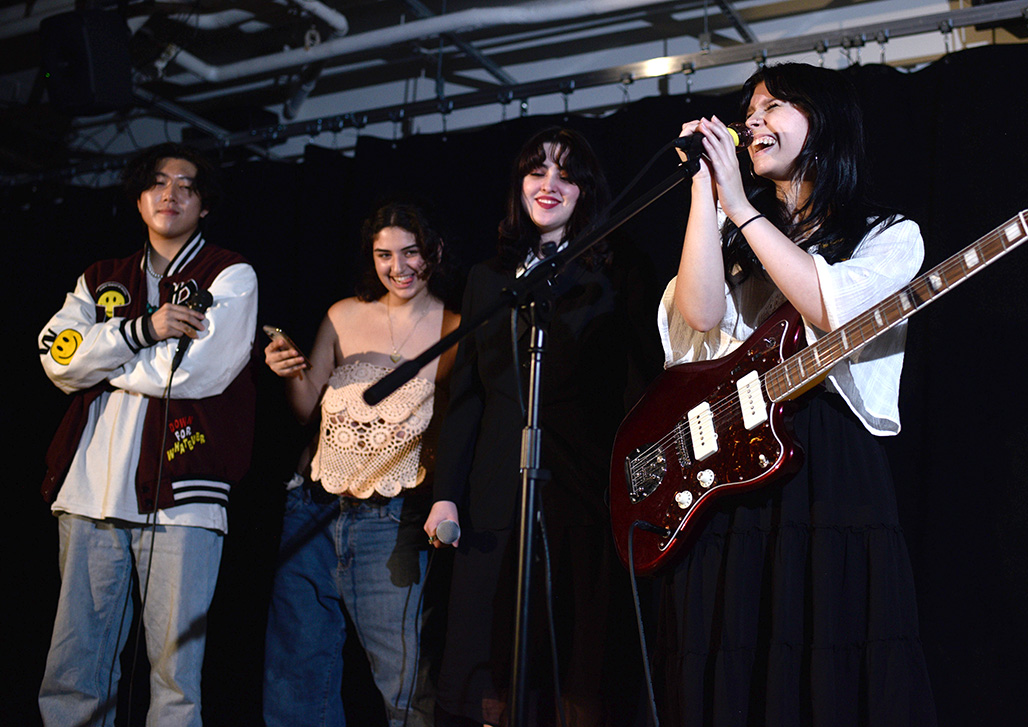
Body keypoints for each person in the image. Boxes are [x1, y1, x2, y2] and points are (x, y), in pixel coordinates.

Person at [653, 63, 937, 724]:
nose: (753, 121)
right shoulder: (734, 233)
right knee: (737, 653)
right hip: (733, 469)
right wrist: (707, 195)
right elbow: (697, 316)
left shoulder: (888, 235)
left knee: (824, 654)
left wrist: (741, 208)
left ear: (825, 121)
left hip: (825, 463)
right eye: (749, 110)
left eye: (774, 105)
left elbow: (828, 304)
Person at [425, 127, 656, 727]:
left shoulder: (617, 268)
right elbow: (468, 396)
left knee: (575, 655)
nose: (549, 184)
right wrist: (446, 494)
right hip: (496, 492)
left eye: (566, 173)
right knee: (490, 658)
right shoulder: (487, 279)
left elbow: (643, 378)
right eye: (537, 171)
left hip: (581, 488)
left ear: (586, 191)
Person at [37, 142, 258, 726]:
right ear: (138, 197)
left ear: (203, 204)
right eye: (158, 183)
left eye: (186, 185)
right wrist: (142, 331)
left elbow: (193, 373)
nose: (171, 194)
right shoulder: (99, 278)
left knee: (174, 676)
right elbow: (56, 360)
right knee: (74, 667)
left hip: (184, 499)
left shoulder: (229, 273)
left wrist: (102, 356)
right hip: (88, 495)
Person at [260, 201, 459, 727]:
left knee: (405, 681)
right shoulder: (343, 313)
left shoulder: (457, 328)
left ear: (435, 253)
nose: (399, 268)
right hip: (312, 509)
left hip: (390, 520)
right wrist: (287, 368)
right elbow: (306, 407)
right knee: (297, 676)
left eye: (411, 252)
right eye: (384, 255)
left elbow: (461, 429)